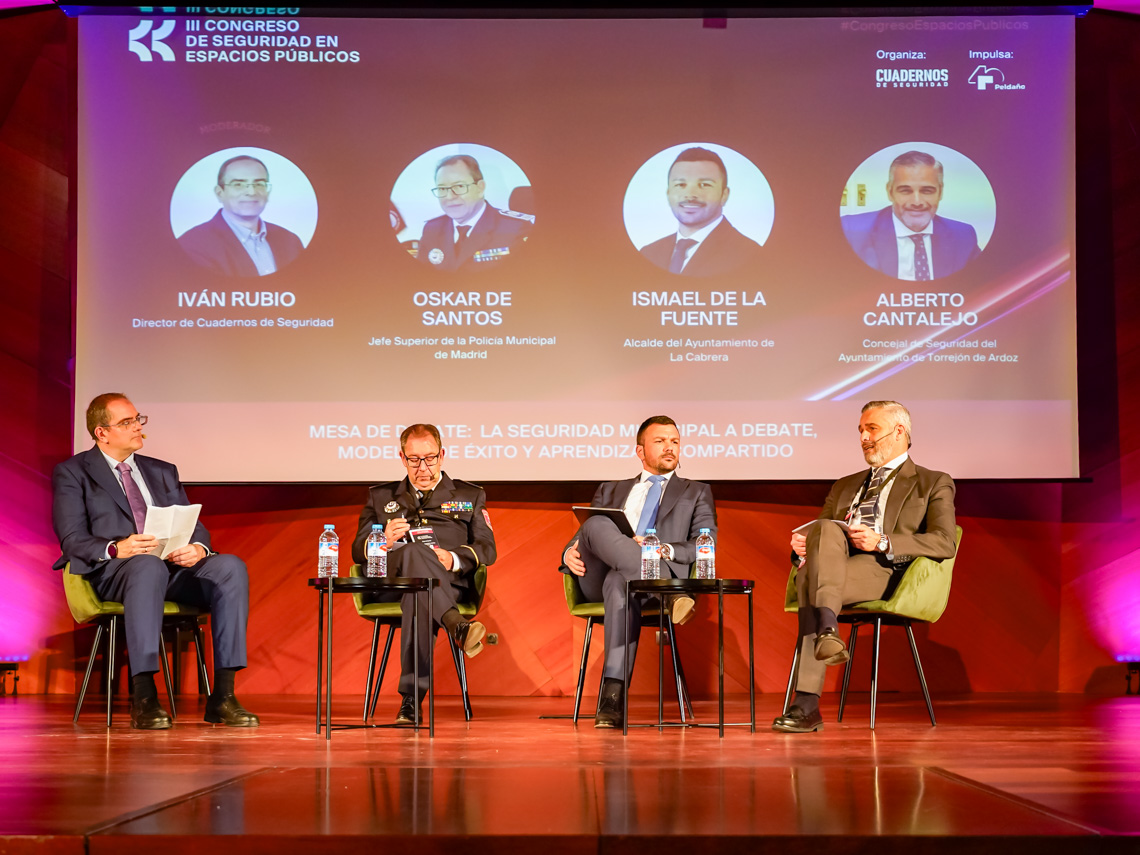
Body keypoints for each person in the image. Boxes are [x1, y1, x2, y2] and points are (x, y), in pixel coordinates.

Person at [51, 394, 258, 730]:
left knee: (230, 567)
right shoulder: (73, 473)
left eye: (138, 419)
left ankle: (223, 696)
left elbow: (194, 525)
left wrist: (198, 548)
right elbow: (72, 539)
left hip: (169, 567)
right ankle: (144, 695)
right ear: (102, 432)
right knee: (147, 566)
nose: (137, 427)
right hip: (115, 572)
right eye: (126, 422)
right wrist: (117, 548)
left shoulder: (162, 471)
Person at [773, 400, 956, 734]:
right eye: (860, 430)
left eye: (872, 429)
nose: (863, 438)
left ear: (899, 431)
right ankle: (828, 631)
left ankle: (807, 704)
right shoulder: (844, 485)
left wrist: (882, 541)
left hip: (885, 570)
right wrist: (803, 546)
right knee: (823, 532)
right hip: (835, 566)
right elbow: (822, 534)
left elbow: (944, 542)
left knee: (811, 582)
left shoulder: (932, 481)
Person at [560, 416, 717, 729]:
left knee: (619, 581)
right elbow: (584, 535)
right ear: (640, 451)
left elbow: (705, 544)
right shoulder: (610, 489)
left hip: (635, 583)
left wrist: (660, 549)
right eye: (660, 441)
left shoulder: (696, 491)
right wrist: (567, 553)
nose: (669, 447)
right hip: (602, 578)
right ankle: (669, 595)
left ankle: (612, 699)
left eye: (674, 441)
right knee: (596, 522)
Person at [352, 424, 496, 724]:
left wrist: (453, 558)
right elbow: (357, 550)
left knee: (419, 594)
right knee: (413, 553)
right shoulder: (380, 496)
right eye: (414, 460)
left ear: (442, 456)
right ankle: (455, 624)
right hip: (391, 583)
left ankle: (411, 701)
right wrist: (382, 541)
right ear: (402, 458)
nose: (422, 467)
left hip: (445, 584)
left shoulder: (470, 494)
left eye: (429, 458)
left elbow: (487, 548)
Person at [841, 150, 981, 280]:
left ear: (940, 192)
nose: (917, 202)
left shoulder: (964, 237)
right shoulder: (851, 231)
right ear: (890, 192)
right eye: (905, 191)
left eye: (927, 191)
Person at [639, 147, 764, 277]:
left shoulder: (750, 255)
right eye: (680, 185)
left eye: (705, 185)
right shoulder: (648, 253)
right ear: (668, 194)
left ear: (724, 195)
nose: (690, 194)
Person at [177, 154, 304, 277]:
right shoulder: (193, 244)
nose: (251, 192)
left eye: (259, 184)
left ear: (268, 192)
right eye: (238, 184)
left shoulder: (291, 241)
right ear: (220, 193)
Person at [417, 154, 533, 271]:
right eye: (442, 189)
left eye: (459, 186)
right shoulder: (432, 229)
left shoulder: (515, 229)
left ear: (480, 188)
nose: (449, 196)